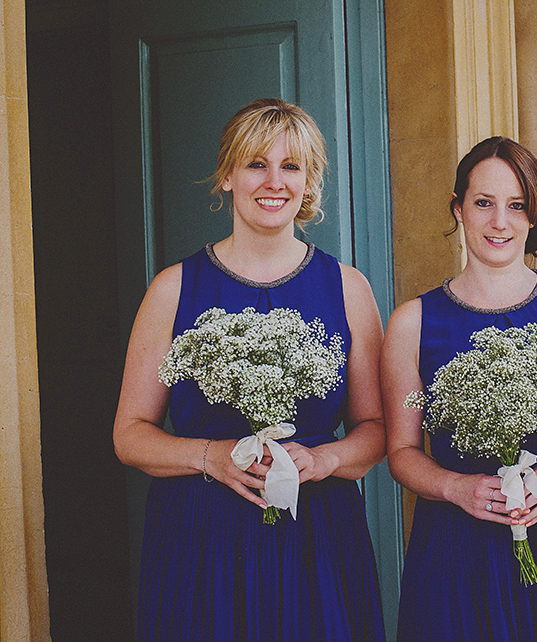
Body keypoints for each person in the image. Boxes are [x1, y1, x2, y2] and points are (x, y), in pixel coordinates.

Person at [114, 98, 386, 641]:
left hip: (316, 534)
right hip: (201, 534)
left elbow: (376, 432)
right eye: (256, 163)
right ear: (227, 174)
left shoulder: (347, 288)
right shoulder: (173, 288)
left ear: (309, 183)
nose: (274, 181)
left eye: (291, 166)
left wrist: (324, 458)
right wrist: (209, 456)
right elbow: (129, 436)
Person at [382, 136, 537, 640]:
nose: (500, 222)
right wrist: (458, 488)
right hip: (458, 545)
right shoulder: (412, 322)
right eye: (484, 203)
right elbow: (401, 452)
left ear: (533, 216)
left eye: (516, 206)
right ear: (458, 209)